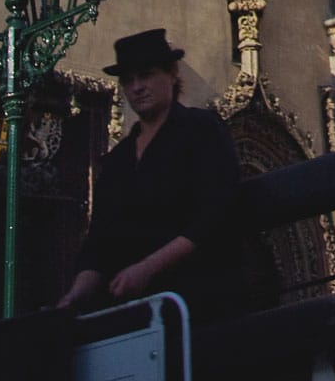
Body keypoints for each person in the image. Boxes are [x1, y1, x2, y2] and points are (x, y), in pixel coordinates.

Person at [57, 28, 243, 320]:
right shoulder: (117, 161)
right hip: (133, 310)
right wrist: (76, 294)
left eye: (146, 75)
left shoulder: (200, 130)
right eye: (128, 80)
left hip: (197, 303)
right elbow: (99, 242)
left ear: (172, 74)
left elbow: (216, 213)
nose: (137, 87)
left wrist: (148, 268)